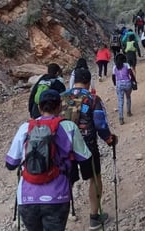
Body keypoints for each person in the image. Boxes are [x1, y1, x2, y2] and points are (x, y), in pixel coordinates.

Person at [5, 89, 92, 231]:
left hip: (27, 197)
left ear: (39, 107)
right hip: (57, 197)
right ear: (60, 106)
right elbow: (85, 158)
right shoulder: (69, 127)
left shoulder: (26, 127)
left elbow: (11, 164)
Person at [61, 69, 118, 230]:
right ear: (88, 82)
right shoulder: (93, 99)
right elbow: (100, 124)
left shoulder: (62, 97)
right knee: (95, 178)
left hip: (65, 147)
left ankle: (61, 219)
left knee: (66, 182)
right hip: (87, 146)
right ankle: (94, 217)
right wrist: (109, 139)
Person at [112, 53, 136, 125]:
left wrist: (115, 84)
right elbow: (131, 74)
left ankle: (121, 118)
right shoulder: (126, 65)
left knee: (120, 101)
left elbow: (113, 77)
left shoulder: (114, 67)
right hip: (127, 83)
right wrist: (134, 81)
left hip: (119, 84)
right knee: (128, 97)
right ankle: (128, 112)